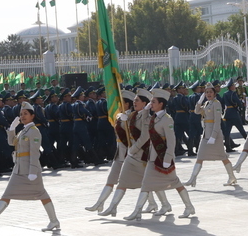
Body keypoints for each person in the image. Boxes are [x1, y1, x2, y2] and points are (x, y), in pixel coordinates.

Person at [0, 102, 60, 232]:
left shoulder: (34, 131)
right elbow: (12, 142)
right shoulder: (23, 131)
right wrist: (11, 130)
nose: (22, 116)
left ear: (32, 116)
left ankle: (54, 221)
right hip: (19, 169)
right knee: (7, 194)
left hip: (30, 169)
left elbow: (34, 153)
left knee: (42, 195)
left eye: (26, 114)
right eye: (21, 114)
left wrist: (33, 171)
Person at [123, 88, 195, 221]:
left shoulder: (167, 120)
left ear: (161, 104)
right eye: (150, 102)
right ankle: (137, 211)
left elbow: (172, 140)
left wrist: (167, 158)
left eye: (153, 102)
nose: (151, 104)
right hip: (153, 158)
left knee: (176, 183)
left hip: (163, 158)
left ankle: (189, 206)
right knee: (146, 184)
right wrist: (146, 109)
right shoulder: (154, 118)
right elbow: (144, 118)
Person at [98, 89, 155, 217]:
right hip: (131, 154)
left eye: (137, 100)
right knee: (125, 181)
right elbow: (123, 123)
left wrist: (133, 149)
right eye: (134, 100)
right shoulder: (132, 116)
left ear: (145, 103)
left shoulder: (147, 118)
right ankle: (112, 207)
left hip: (142, 154)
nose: (135, 102)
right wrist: (120, 118)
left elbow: (145, 137)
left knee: (149, 182)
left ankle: (157, 205)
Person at [185, 83, 238, 187]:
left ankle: (232, 177)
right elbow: (196, 111)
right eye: (206, 92)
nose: (208, 94)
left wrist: (213, 136)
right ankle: (192, 179)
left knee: (223, 157)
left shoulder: (216, 103)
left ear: (214, 93)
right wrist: (200, 101)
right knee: (200, 156)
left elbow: (217, 121)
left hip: (215, 136)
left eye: (210, 92)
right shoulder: (206, 103)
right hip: (206, 135)